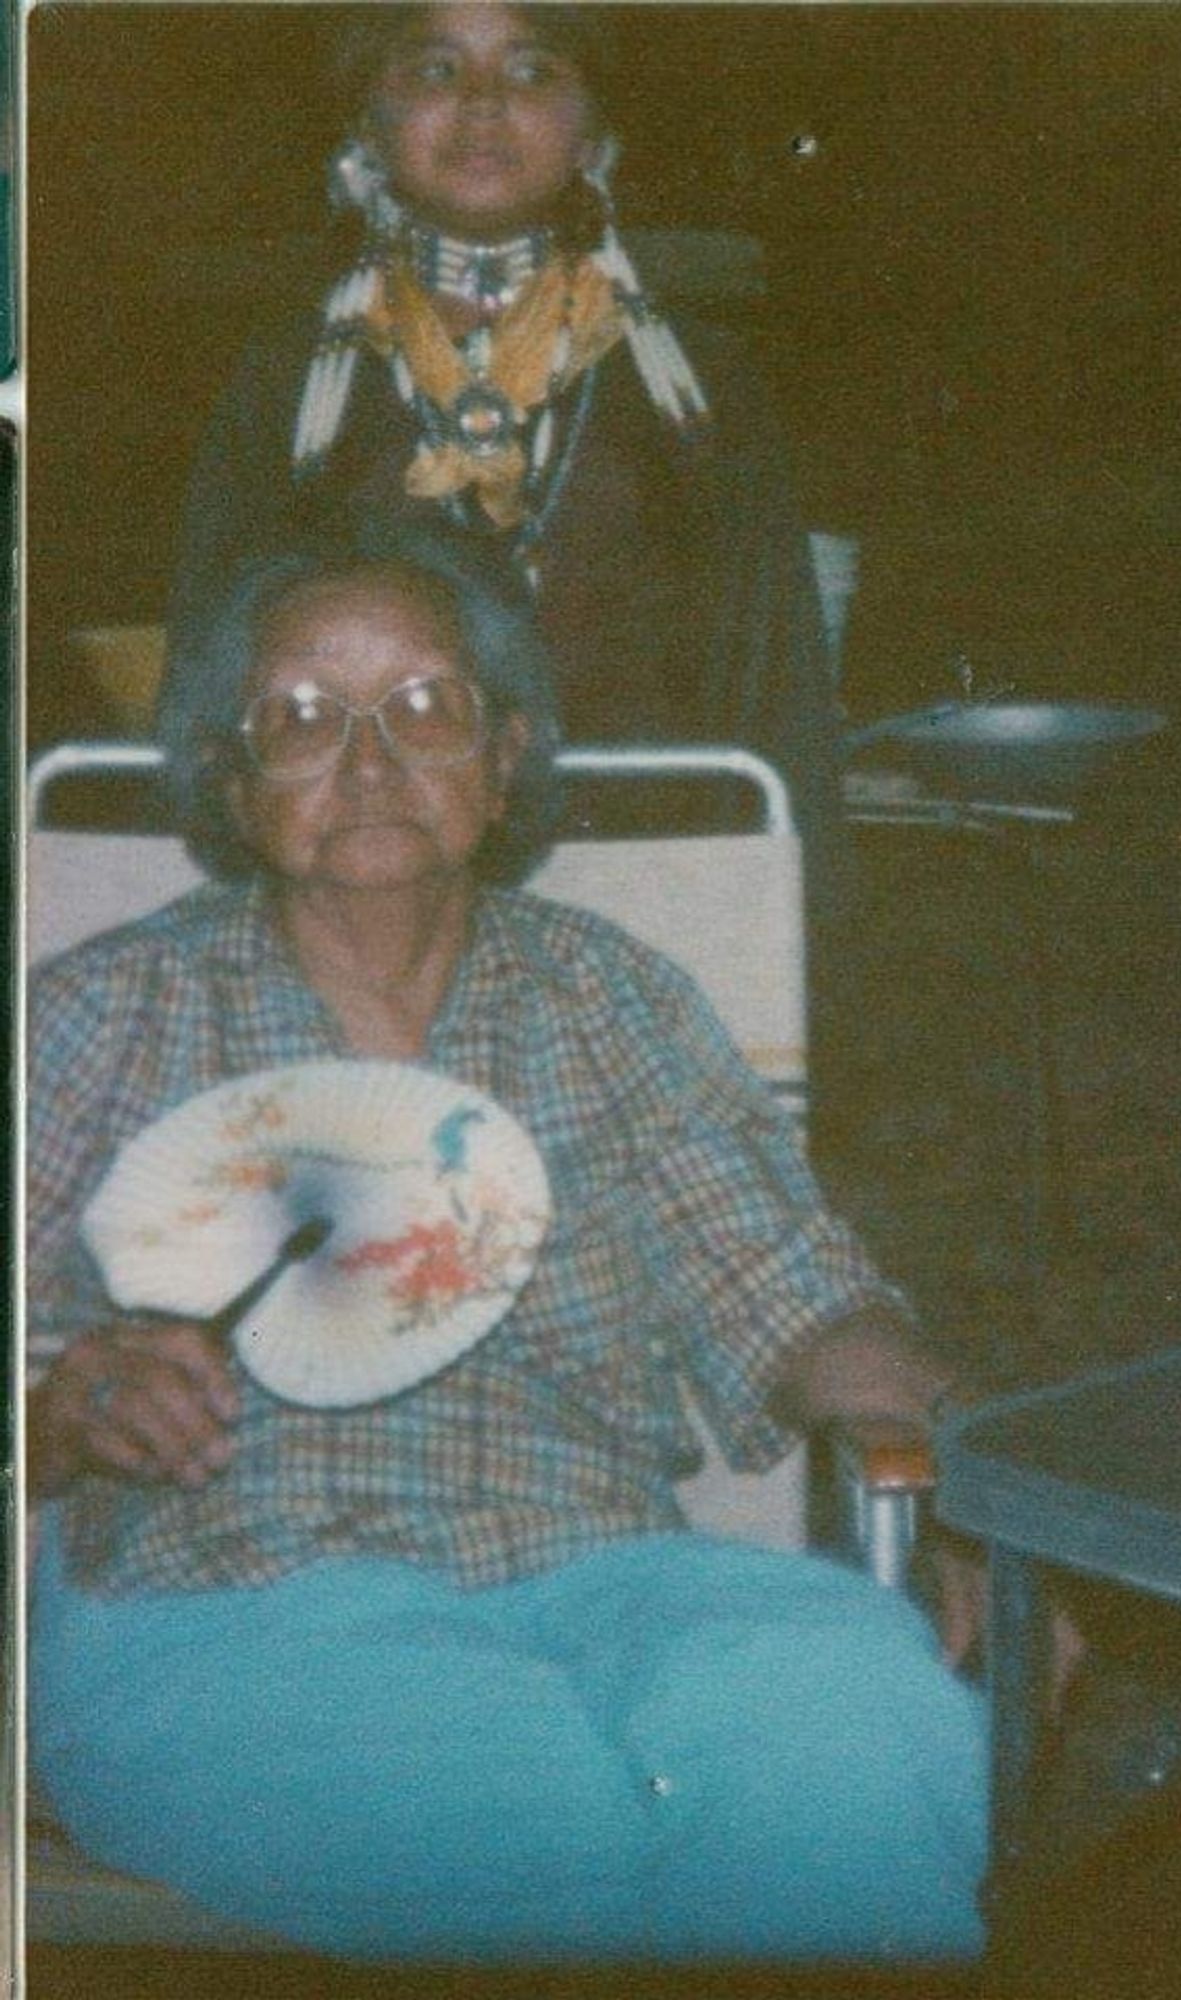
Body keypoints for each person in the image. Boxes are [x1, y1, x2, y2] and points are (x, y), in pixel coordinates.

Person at [28, 535, 988, 1966]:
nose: (365, 760)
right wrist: (64, 1409)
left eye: (423, 704)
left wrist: (973, 1487)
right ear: (232, 783)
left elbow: (792, 1293)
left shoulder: (605, 998)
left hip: (613, 1573)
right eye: (299, 715)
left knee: (860, 1713)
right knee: (561, 1842)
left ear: (505, 757)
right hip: (243, 1604)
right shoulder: (107, 1014)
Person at [165, 2, 840, 872]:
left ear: (595, 131)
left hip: (655, 871)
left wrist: (783, 928)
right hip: (360, 882)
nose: (483, 104)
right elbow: (211, 688)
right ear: (365, 124)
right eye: (436, 70)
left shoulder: (697, 388)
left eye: (532, 71)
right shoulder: (288, 383)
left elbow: (776, 687)